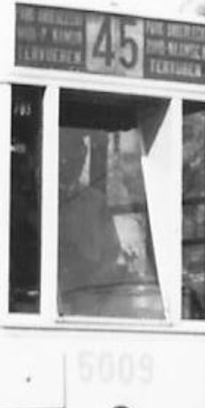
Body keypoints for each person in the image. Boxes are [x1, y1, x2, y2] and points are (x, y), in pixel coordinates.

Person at [56, 129, 123, 314]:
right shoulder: (41, 198)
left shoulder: (96, 201)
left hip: (87, 295)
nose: (74, 161)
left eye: (80, 155)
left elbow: (111, 250)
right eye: (67, 153)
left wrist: (96, 275)